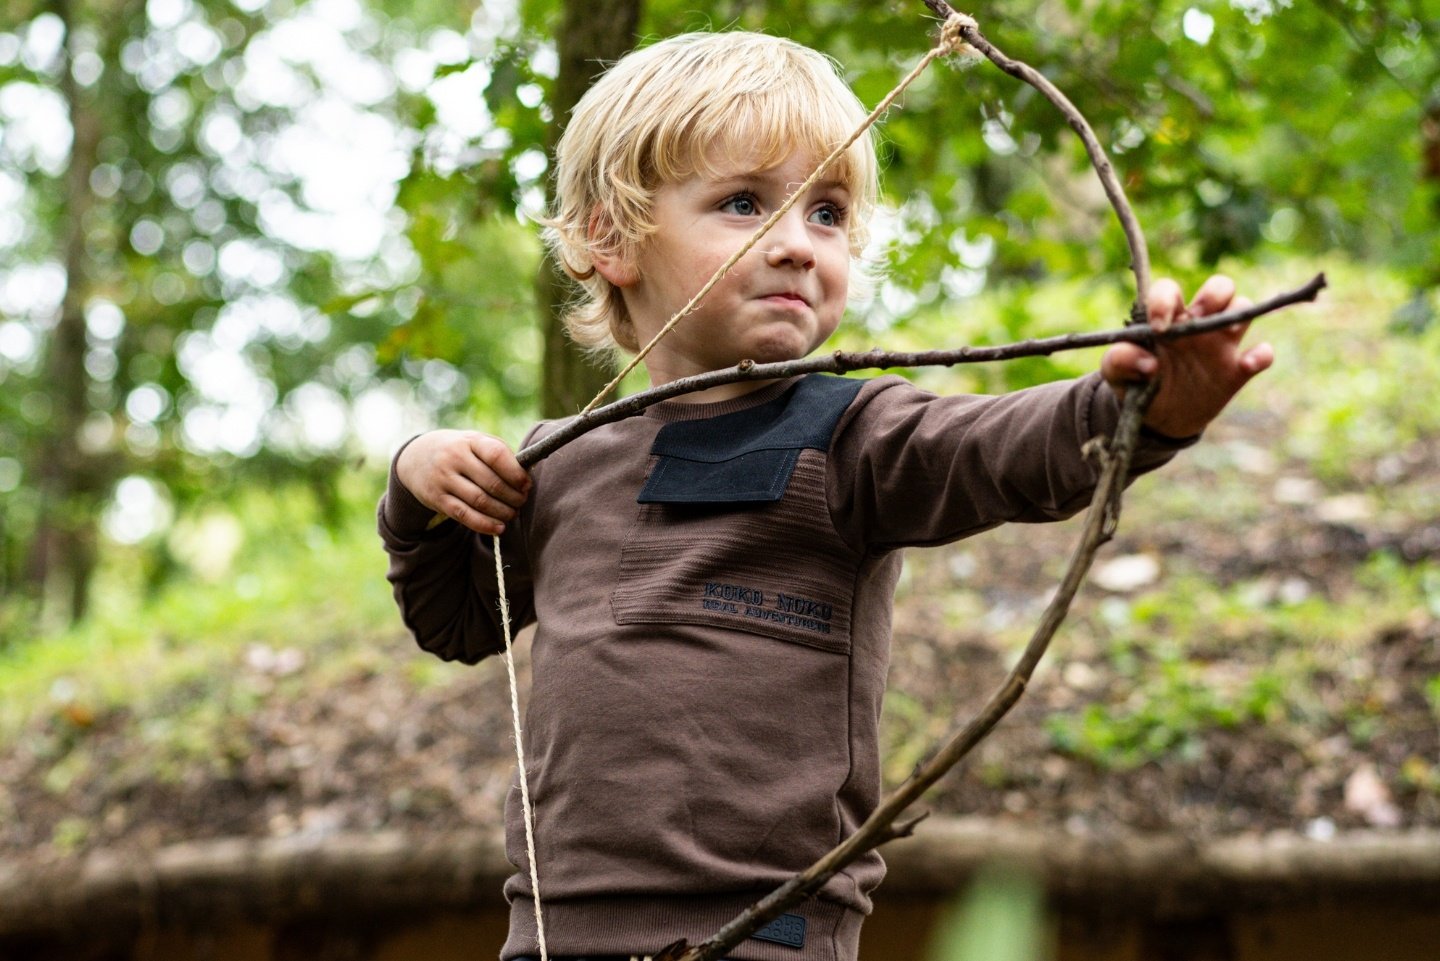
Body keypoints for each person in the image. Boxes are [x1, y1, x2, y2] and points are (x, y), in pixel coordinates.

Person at [377, 30, 1273, 961]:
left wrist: (1135, 408)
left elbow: (997, 450)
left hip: (771, 940)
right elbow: (455, 620)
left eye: (829, 213)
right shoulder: (559, 460)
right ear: (610, 237)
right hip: (555, 943)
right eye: (743, 203)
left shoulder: (856, 434)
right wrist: (414, 482)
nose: (800, 245)